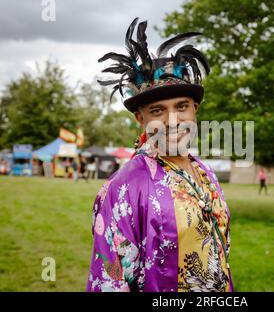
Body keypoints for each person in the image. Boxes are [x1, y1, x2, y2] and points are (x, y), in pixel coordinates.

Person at [86, 17, 234, 292]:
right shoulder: (122, 188)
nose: (173, 120)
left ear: (195, 110)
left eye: (182, 106)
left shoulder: (204, 172)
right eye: (157, 111)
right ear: (140, 119)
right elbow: (110, 282)